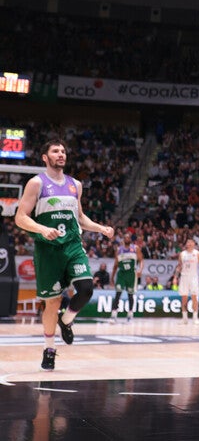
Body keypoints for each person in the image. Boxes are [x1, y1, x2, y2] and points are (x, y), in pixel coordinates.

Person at [14, 139, 115, 371]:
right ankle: (49, 349)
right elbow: (20, 217)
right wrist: (42, 229)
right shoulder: (36, 184)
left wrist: (100, 228)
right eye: (55, 151)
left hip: (72, 246)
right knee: (52, 303)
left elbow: (80, 217)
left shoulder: (75, 185)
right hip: (48, 250)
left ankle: (66, 320)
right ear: (45, 157)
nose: (61, 154)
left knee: (87, 288)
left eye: (63, 151)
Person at [174, 239, 199, 325]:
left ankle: (195, 318)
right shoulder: (182, 254)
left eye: (190, 242)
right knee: (184, 298)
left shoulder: (197, 253)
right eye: (187, 242)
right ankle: (184, 318)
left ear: (194, 244)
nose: (188, 244)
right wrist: (175, 277)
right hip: (184, 277)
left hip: (193, 277)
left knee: (194, 297)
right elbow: (179, 266)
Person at [110, 235, 143, 323]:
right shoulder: (119, 250)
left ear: (130, 239)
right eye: (125, 237)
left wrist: (140, 270)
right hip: (121, 274)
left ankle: (130, 315)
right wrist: (112, 277)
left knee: (130, 295)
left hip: (131, 274)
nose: (127, 239)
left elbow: (141, 260)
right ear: (123, 240)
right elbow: (115, 265)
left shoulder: (135, 248)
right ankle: (113, 315)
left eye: (128, 237)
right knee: (118, 294)